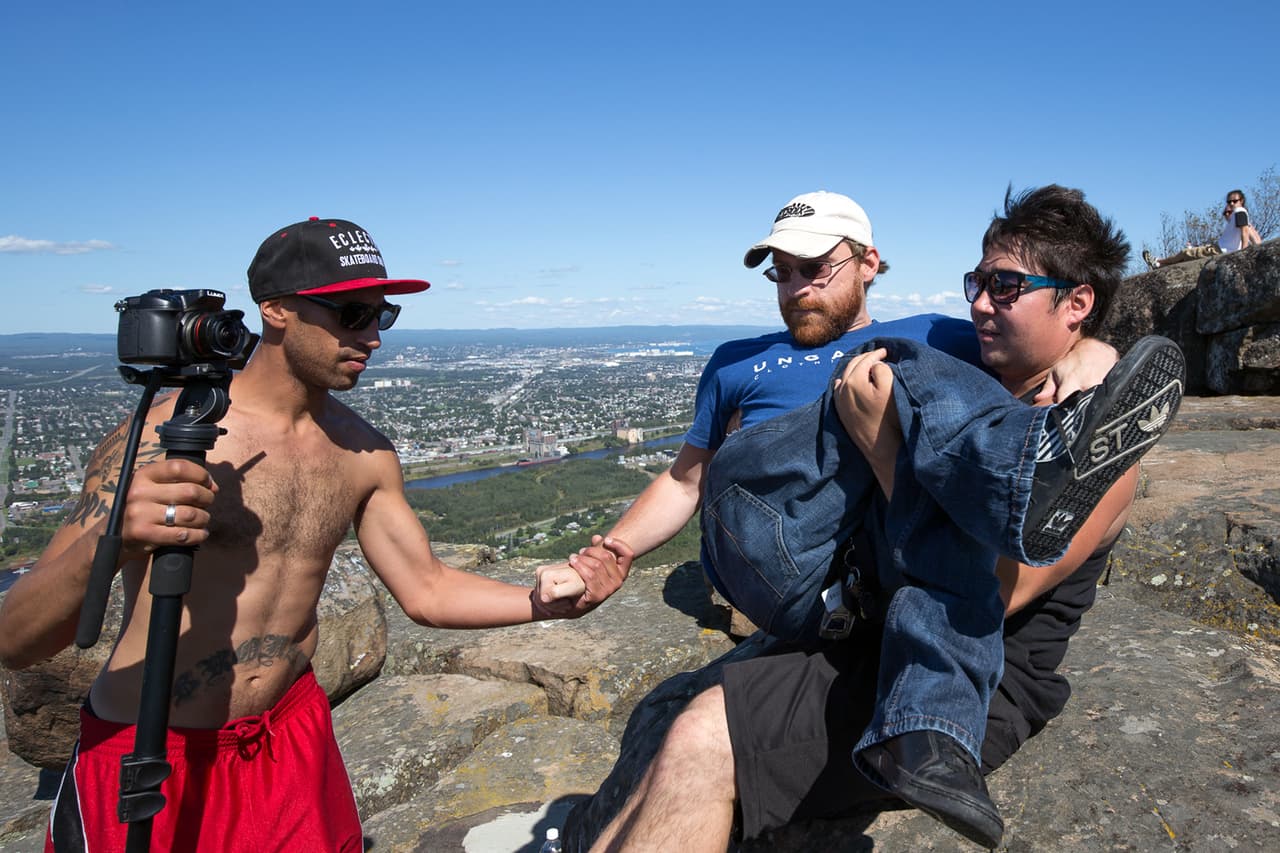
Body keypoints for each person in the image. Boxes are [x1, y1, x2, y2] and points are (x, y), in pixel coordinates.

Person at [568, 186, 1178, 851]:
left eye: (1004, 286)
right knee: (667, 719)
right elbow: (688, 478)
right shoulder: (973, 372)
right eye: (977, 282)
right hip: (875, 624)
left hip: (978, 674)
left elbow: (996, 592)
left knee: (703, 735)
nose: (977, 303)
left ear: (1077, 303)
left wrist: (886, 449)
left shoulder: (1102, 454)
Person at [0, 217, 620, 853]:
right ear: (276, 311)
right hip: (151, 747)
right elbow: (17, 640)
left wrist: (541, 604)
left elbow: (427, 589)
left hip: (290, 738)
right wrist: (110, 544)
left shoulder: (363, 454)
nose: (373, 338)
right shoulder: (165, 441)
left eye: (384, 316)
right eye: (353, 315)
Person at [1142, 188, 1263, 269]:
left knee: (1186, 253)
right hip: (1222, 249)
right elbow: (1254, 235)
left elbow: (1245, 232)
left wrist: (1243, 252)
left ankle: (1158, 262)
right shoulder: (1242, 216)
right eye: (1229, 202)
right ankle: (1159, 264)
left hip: (1220, 250)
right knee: (1187, 257)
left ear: (1241, 201)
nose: (1231, 204)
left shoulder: (1239, 211)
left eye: (1234, 201)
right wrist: (1258, 250)